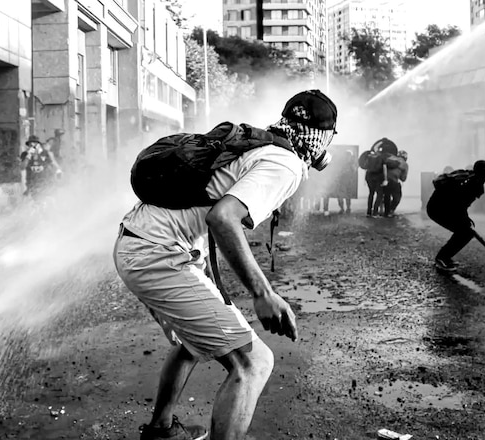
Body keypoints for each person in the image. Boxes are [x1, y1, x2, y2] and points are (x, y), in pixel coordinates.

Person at [114, 90, 337, 440]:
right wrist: (263, 293)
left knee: (190, 342)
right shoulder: (287, 163)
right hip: (158, 256)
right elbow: (223, 218)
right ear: (321, 138)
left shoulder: (256, 146)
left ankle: (162, 430)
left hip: (139, 243)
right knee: (253, 364)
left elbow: (205, 209)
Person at [427, 160, 485, 271]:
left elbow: (461, 205)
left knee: (465, 231)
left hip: (440, 207)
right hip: (438, 209)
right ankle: (442, 258)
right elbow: (459, 204)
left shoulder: (468, 177)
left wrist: (466, 219)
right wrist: (465, 220)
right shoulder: (471, 183)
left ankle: (445, 257)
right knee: (465, 232)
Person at [20, 135, 62, 201]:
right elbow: (22, 167)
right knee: (33, 204)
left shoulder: (44, 153)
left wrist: (58, 170)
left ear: (38, 145)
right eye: (30, 144)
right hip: (31, 185)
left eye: (34, 144)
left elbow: (53, 163)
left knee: (45, 202)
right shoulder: (25, 154)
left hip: (44, 184)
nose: (33, 146)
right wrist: (29, 155)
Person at [384, 150, 409, 216]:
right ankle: (391, 210)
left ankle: (385, 211)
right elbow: (403, 179)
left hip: (383, 179)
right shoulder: (404, 164)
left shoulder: (390, 159)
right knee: (397, 197)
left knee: (387, 195)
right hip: (393, 181)